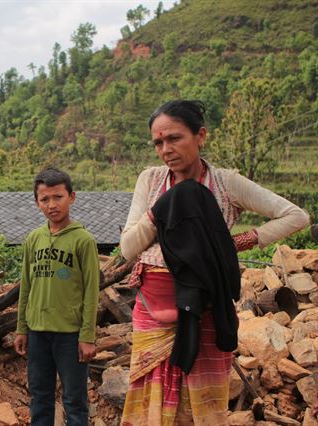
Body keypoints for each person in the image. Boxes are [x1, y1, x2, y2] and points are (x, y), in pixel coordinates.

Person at [120, 100, 310, 425]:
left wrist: (236, 242)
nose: (166, 149)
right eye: (158, 142)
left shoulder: (226, 184)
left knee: (202, 407)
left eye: (175, 138)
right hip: (154, 307)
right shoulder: (151, 180)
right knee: (151, 406)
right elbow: (127, 248)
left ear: (201, 136)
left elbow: (297, 216)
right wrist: (166, 207)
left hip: (207, 308)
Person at [14, 167, 100, 426]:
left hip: (70, 335)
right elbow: (26, 287)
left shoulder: (83, 240)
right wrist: (22, 328)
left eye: (58, 197)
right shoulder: (33, 239)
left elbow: (91, 291)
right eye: (45, 199)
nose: (52, 205)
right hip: (38, 332)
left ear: (71, 197)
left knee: (74, 401)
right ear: (37, 202)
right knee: (40, 397)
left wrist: (87, 336)